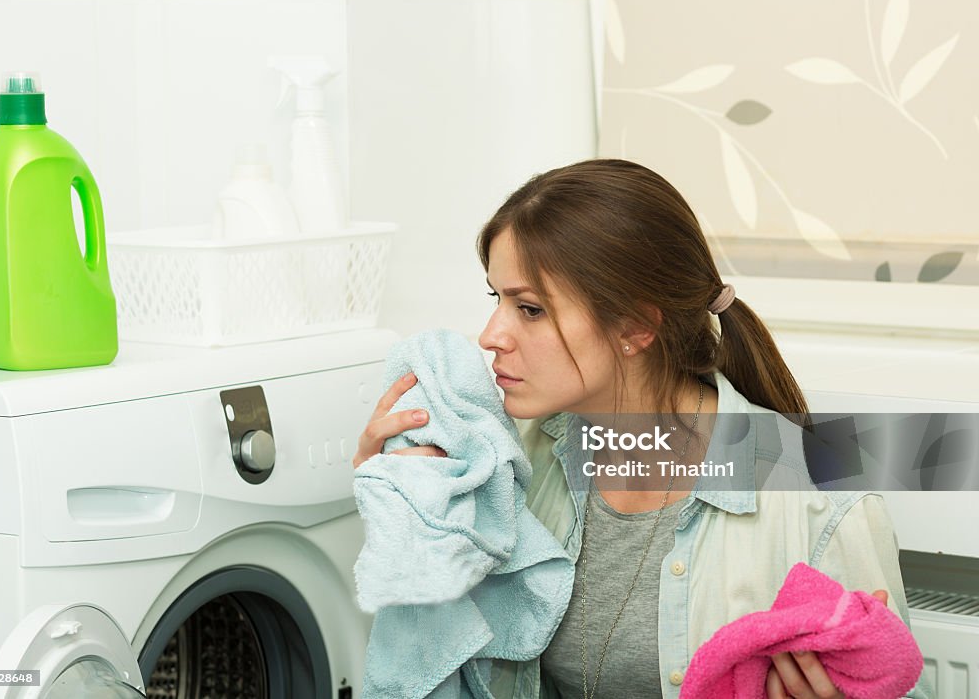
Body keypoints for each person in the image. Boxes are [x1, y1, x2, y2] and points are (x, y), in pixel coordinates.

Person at [354, 159, 931, 699]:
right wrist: (402, 506)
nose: (491, 334)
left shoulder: (820, 501)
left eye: (529, 309)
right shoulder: (503, 466)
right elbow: (438, 648)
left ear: (635, 327)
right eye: (497, 299)